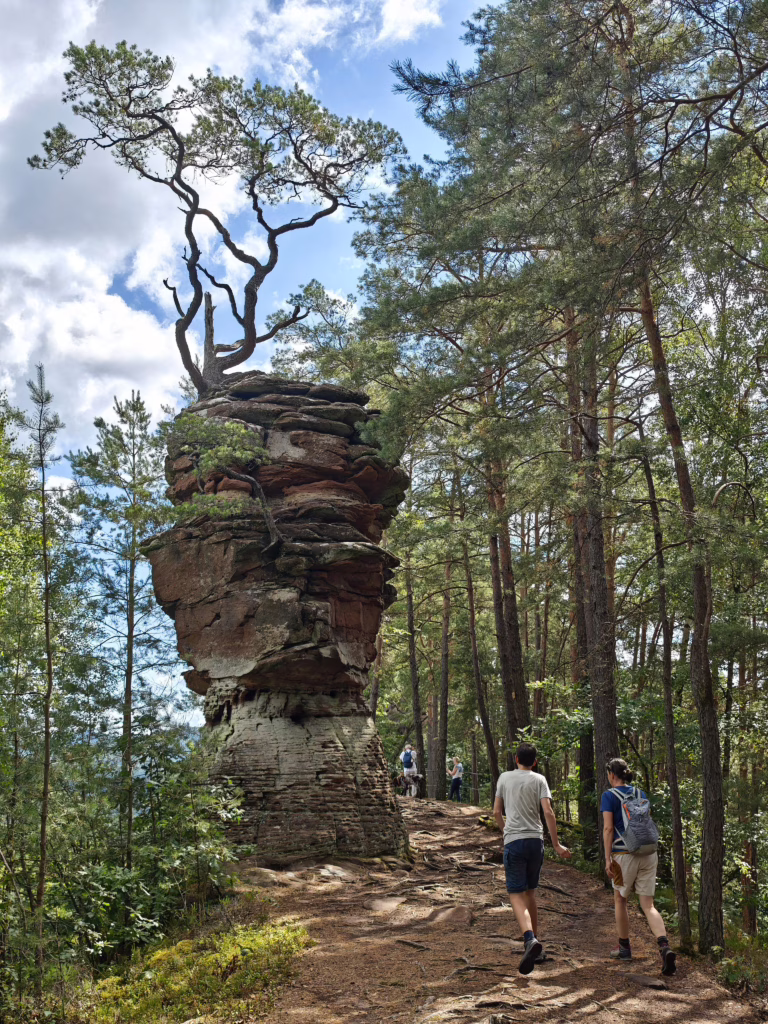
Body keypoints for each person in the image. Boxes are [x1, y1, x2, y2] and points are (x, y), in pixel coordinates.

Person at [494, 742, 571, 975]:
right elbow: (548, 812)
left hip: (515, 841)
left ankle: (529, 940)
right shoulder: (539, 779)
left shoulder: (504, 778)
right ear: (534, 762)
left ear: (516, 758)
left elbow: (497, 811)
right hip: (535, 842)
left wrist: (505, 831)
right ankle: (536, 944)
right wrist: (556, 844)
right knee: (530, 894)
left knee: (515, 894)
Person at [601, 757, 676, 976]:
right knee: (648, 904)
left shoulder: (609, 796)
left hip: (623, 856)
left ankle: (624, 948)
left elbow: (608, 829)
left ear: (612, 775)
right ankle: (664, 946)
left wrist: (607, 859)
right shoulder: (640, 794)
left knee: (620, 899)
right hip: (649, 853)